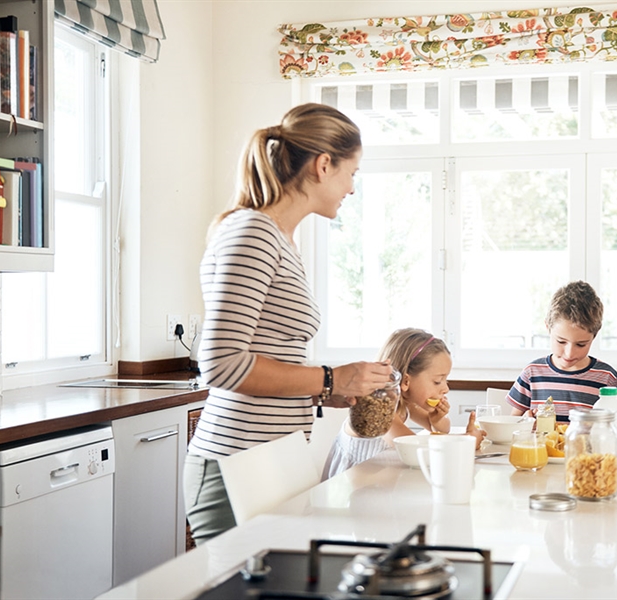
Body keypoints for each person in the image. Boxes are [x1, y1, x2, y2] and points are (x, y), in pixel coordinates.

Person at [184, 103, 394, 546]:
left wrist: (328, 390)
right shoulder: (254, 232)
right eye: (351, 173)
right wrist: (332, 376)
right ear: (323, 165)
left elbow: (266, 356)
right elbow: (221, 363)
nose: (352, 188)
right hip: (238, 463)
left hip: (270, 457)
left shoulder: (278, 239)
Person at [323, 328, 486, 480]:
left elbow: (443, 430)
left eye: (445, 379)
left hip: (379, 481)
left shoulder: (405, 401)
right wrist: (467, 442)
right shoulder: (379, 410)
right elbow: (416, 453)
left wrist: (436, 420)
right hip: (351, 486)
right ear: (406, 380)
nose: (445, 388)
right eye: (437, 381)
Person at [508, 281, 617, 420]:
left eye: (581, 344)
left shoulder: (607, 377)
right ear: (548, 327)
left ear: (594, 335)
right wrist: (526, 421)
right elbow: (513, 424)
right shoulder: (532, 373)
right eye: (561, 341)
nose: (570, 353)